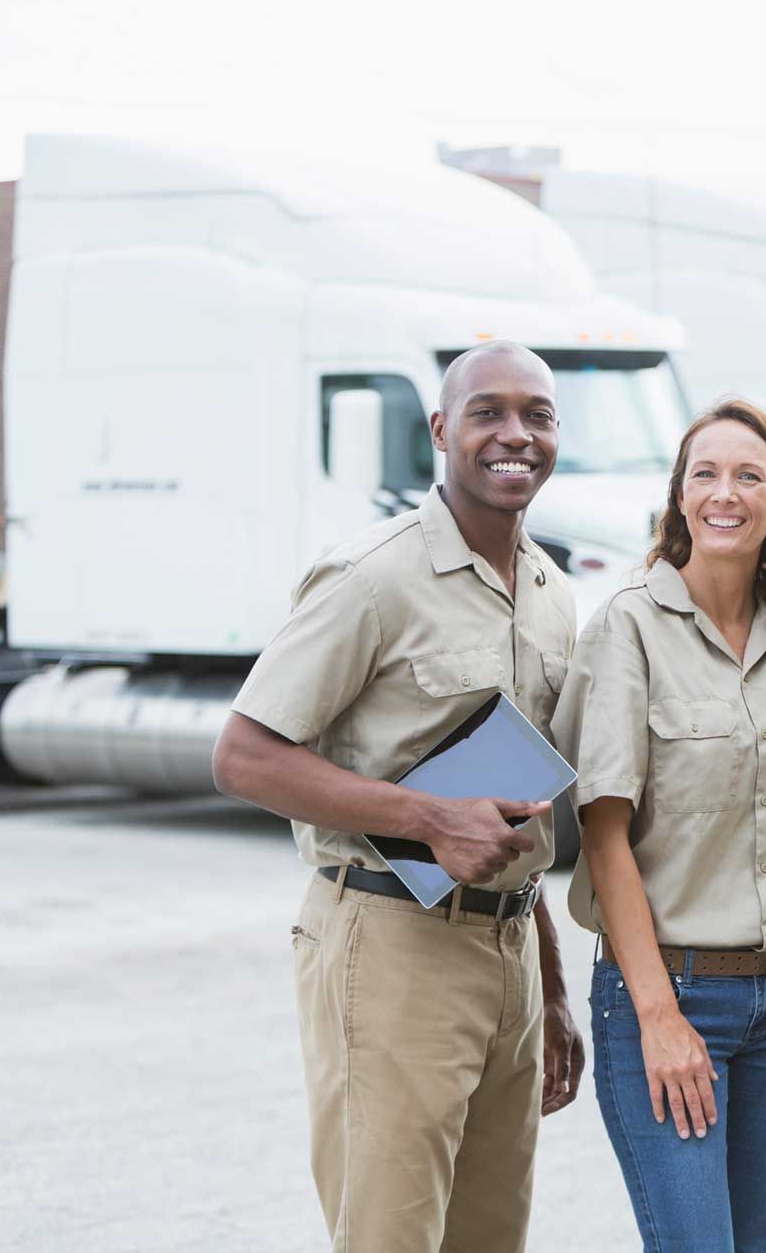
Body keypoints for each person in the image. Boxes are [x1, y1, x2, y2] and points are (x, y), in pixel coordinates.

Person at [211, 340, 586, 1253]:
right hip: (389, 945)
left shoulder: (549, 593)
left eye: (536, 415)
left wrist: (551, 989)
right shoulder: (374, 574)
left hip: (509, 949)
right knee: (390, 1236)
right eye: (488, 412)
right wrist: (426, 818)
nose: (514, 435)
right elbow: (244, 755)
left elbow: (517, 809)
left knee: (490, 1235)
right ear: (440, 429)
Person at [551, 397, 766, 1253]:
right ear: (679, 497)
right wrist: (660, 1018)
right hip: (670, 992)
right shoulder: (628, 627)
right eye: (705, 474)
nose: (725, 493)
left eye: (749, 476)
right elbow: (603, 835)